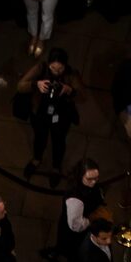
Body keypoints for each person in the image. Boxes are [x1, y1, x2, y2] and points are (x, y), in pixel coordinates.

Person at [18, 47, 78, 185]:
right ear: (48, 64)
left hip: (61, 114)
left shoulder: (71, 74)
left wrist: (69, 90)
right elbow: (20, 85)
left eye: (60, 69)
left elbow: (82, 94)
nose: (56, 72)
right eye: (53, 68)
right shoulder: (41, 68)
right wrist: (35, 84)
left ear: (65, 66)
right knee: (40, 136)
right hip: (40, 111)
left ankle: (56, 167)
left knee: (59, 140)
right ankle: (36, 159)